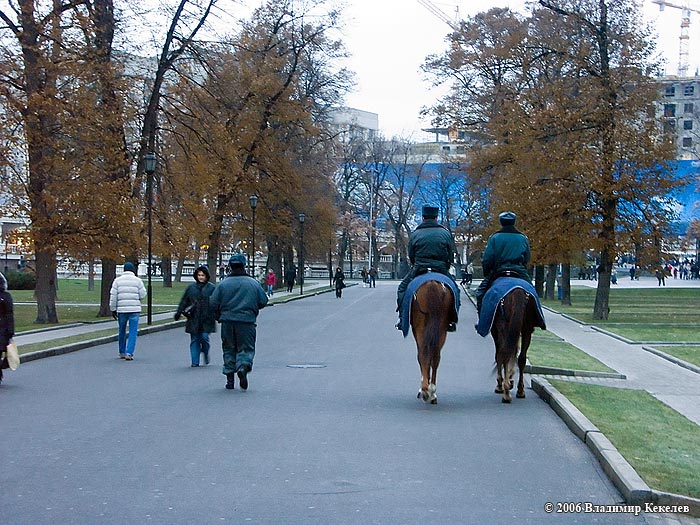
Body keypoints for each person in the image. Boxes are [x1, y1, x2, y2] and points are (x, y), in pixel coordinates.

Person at [210, 254, 268, 391]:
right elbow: (263, 301)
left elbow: (213, 303)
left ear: (230, 266)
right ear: (244, 265)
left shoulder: (223, 284)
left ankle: (230, 378)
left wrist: (219, 316)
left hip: (227, 321)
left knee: (228, 348)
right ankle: (243, 366)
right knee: (246, 348)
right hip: (246, 322)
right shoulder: (253, 283)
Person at [396, 204, 457, 330]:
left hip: (419, 268)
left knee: (402, 289)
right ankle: (451, 319)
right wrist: (444, 266)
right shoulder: (445, 233)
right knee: (455, 290)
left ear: (423, 217)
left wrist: (417, 264)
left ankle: (402, 319)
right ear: (436, 218)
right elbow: (450, 256)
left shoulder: (415, 234)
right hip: (440, 269)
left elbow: (411, 256)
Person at [474, 212, 531, 319]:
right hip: (519, 271)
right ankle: (537, 319)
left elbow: (488, 258)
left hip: (498, 270)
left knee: (481, 293)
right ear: (513, 222)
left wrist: (487, 273)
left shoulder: (494, 237)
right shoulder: (523, 238)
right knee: (532, 293)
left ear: (501, 222)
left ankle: (482, 320)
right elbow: (527, 257)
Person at [175, 265, 216, 367]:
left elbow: (217, 303)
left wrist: (218, 315)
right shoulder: (191, 288)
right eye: (199, 275)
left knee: (204, 337)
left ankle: (205, 351)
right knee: (194, 339)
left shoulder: (211, 288)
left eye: (203, 275)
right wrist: (179, 312)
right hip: (193, 317)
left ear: (207, 276)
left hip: (207, 318)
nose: (201, 277)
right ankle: (195, 362)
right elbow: (184, 301)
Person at [109, 261, 147, 361]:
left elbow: (113, 297)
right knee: (133, 332)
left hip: (122, 309)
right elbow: (142, 294)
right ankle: (129, 353)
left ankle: (122, 351)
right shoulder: (138, 281)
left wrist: (113, 309)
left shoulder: (117, 281)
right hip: (134, 309)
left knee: (122, 330)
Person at [0, 272, 15, 385]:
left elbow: (9, 314)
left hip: (2, 329)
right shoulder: (6, 297)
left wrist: (10, 331)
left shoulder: (5, 297)